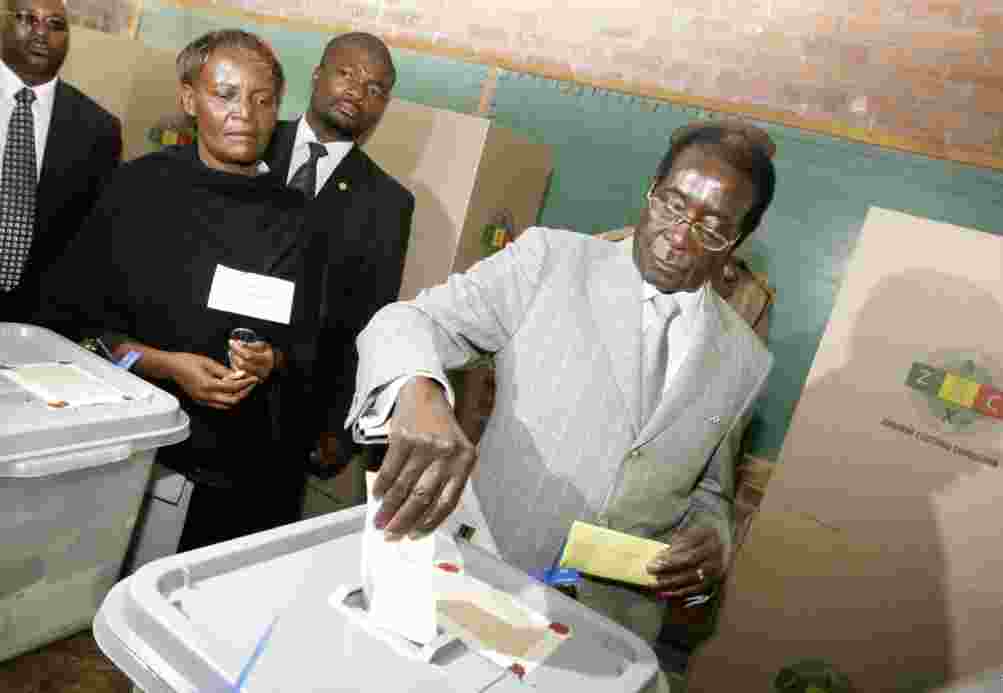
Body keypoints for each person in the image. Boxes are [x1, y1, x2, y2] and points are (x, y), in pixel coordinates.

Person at [346, 125, 776, 652]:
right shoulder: (551, 260)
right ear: (652, 187)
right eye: (671, 204)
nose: (680, 236)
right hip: (481, 579)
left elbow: (710, 486)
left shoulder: (745, 361)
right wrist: (417, 391)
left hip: (607, 627)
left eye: (711, 229)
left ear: (738, 240)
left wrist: (714, 534)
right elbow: (408, 321)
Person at [34, 29, 326, 551]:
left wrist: (269, 361)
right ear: (189, 99)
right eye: (226, 95)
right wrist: (165, 365)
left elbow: (306, 352)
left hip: (240, 474)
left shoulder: (298, 219)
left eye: (263, 100)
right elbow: (76, 328)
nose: (246, 114)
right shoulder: (136, 190)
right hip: (133, 453)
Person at [264, 31, 414, 478]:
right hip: (200, 378)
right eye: (346, 73)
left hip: (291, 417)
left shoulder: (388, 203)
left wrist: (340, 427)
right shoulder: (248, 138)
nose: (357, 92)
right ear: (317, 75)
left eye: (375, 89)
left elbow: (369, 321)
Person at [0, 0, 121, 321]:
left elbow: (94, 239)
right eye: (28, 19)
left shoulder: (98, 130)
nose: (41, 34)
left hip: (39, 322)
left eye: (55, 25)